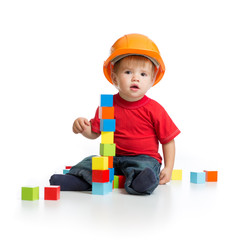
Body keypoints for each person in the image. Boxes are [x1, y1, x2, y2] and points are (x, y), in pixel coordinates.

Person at [50, 33, 181, 195]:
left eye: (143, 74)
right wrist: (83, 127)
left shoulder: (155, 109)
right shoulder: (107, 105)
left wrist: (169, 168)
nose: (135, 78)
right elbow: (94, 133)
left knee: (144, 168)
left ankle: (142, 181)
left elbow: (168, 140)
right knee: (90, 162)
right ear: (114, 77)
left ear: (152, 79)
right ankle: (78, 179)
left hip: (143, 158)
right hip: (113, 159)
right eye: (127, 72)